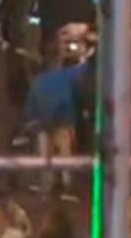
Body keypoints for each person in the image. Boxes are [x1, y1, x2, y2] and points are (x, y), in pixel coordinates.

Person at [23, 42, 85, 195]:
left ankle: (47, 186)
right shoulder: (67, 75)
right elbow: (84, 69)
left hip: (44, 122)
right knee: (65, 154)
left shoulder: (38, 81)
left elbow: (31, 105)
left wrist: (30, 120)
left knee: (45, 156)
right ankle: (67, 184)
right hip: (63, 121)